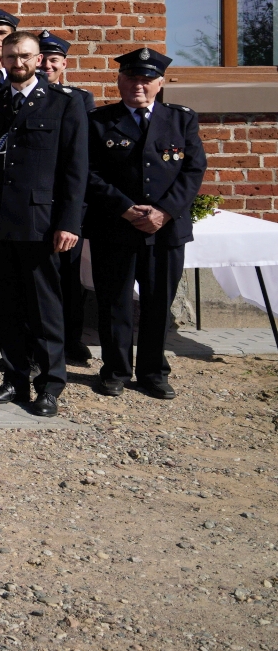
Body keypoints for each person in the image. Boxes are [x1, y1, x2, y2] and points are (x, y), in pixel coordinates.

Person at [0, 31, 88, 417]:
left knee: (44, 307)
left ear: (38, 59)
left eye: (26, 56)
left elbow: (75, 169)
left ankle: (49, 385)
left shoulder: (65, 103)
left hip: (41, 222)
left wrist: (69, 222)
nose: (18, 63)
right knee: (6, 306)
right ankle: (15, 380)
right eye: (12, 56)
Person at [85, 47, 204, 399]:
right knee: (114, 302)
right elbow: (87, 172)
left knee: (157, 303)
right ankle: (115, 370)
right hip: (115, 227)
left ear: (160, 83)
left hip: (166, 230)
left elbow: (193, 170)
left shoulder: (181, 119)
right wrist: (124, 208)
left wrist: (163, 212)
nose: (139, 85)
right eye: (131, 78)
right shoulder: (98, 122)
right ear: (120, 81)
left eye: (147, 79)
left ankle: (153, 372)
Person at [37, 30, 96, 365]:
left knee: (69, 278)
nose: (46, 65)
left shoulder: (79, 99)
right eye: (42, 58)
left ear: (63, 65)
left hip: (67, 200)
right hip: (34, 202)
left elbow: (79, 154)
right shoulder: (19, 95)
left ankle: (71, 339)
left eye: (53, 60)